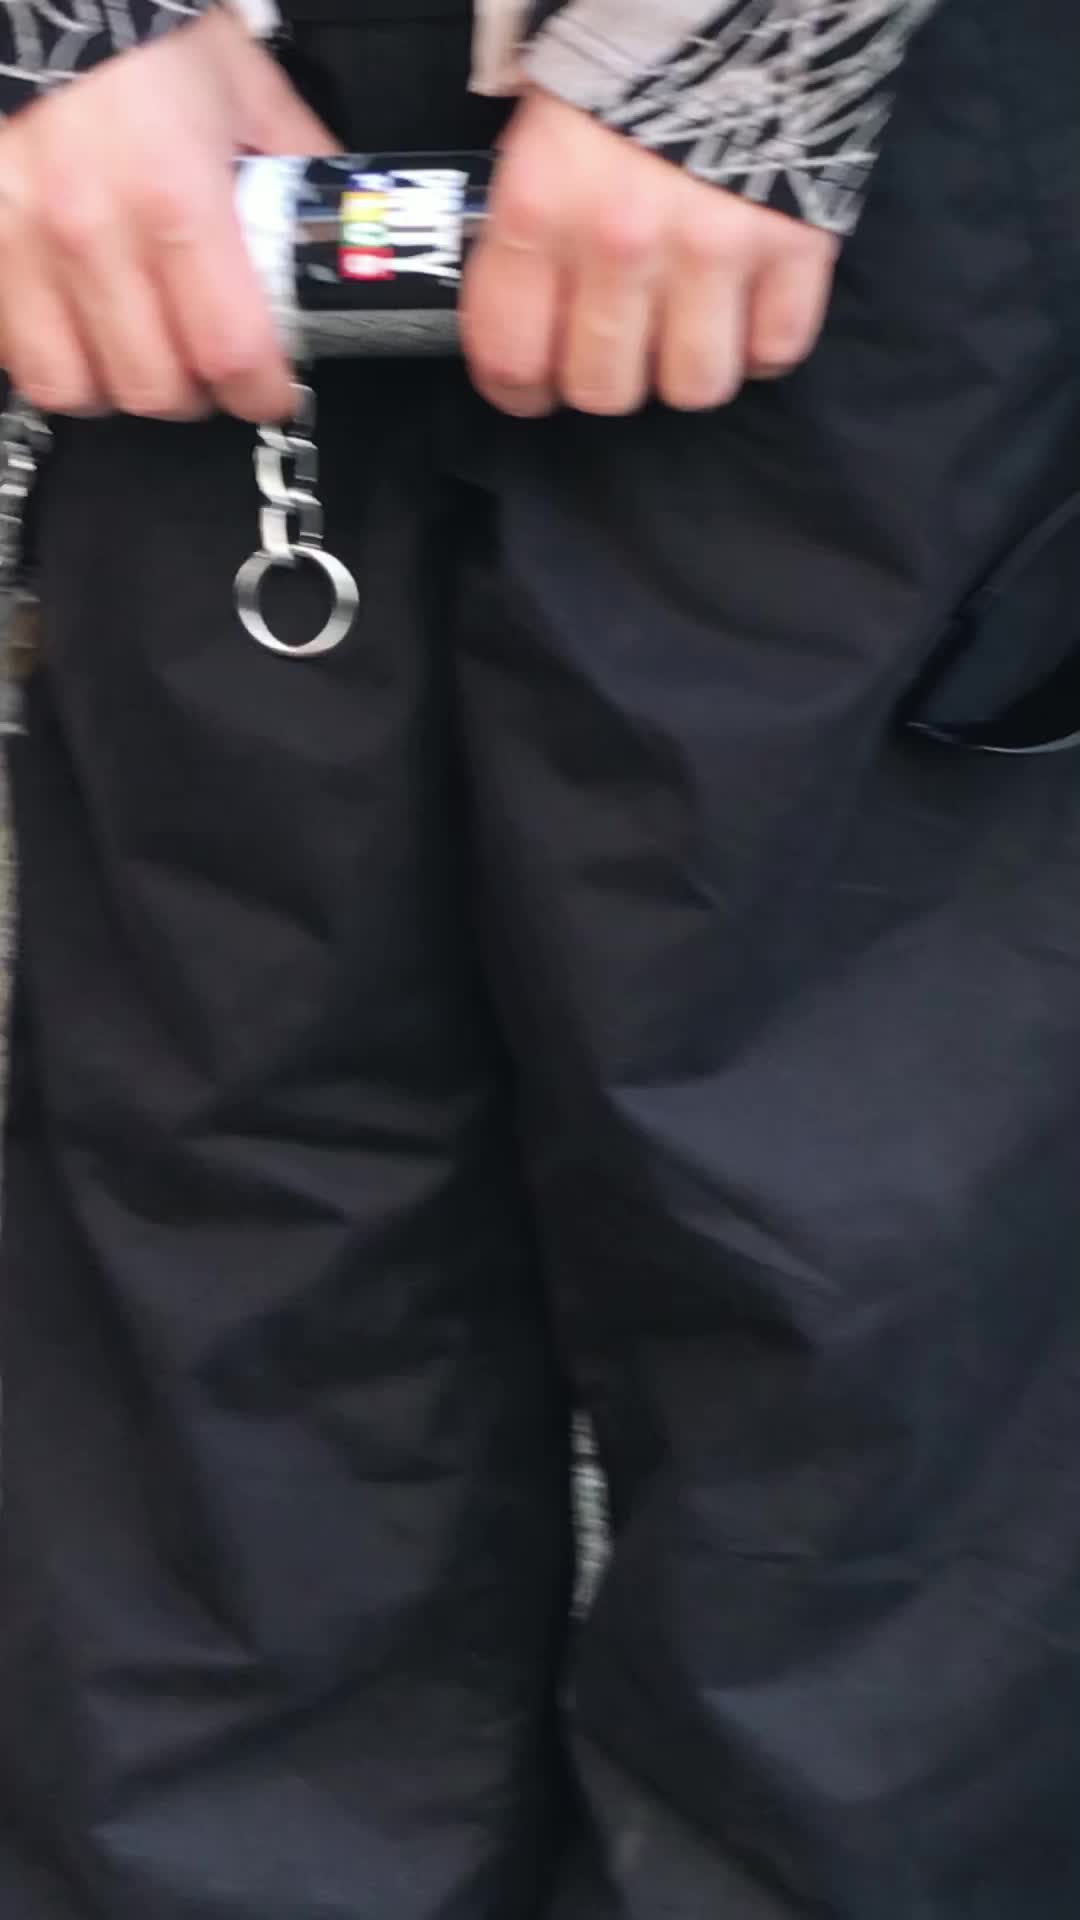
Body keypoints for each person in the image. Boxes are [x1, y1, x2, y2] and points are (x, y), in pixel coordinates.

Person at [1, 0, 1080, 1912]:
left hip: (880, 156)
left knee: (857, 1298)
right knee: (220, 1267)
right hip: (196, 147)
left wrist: (743, 49)